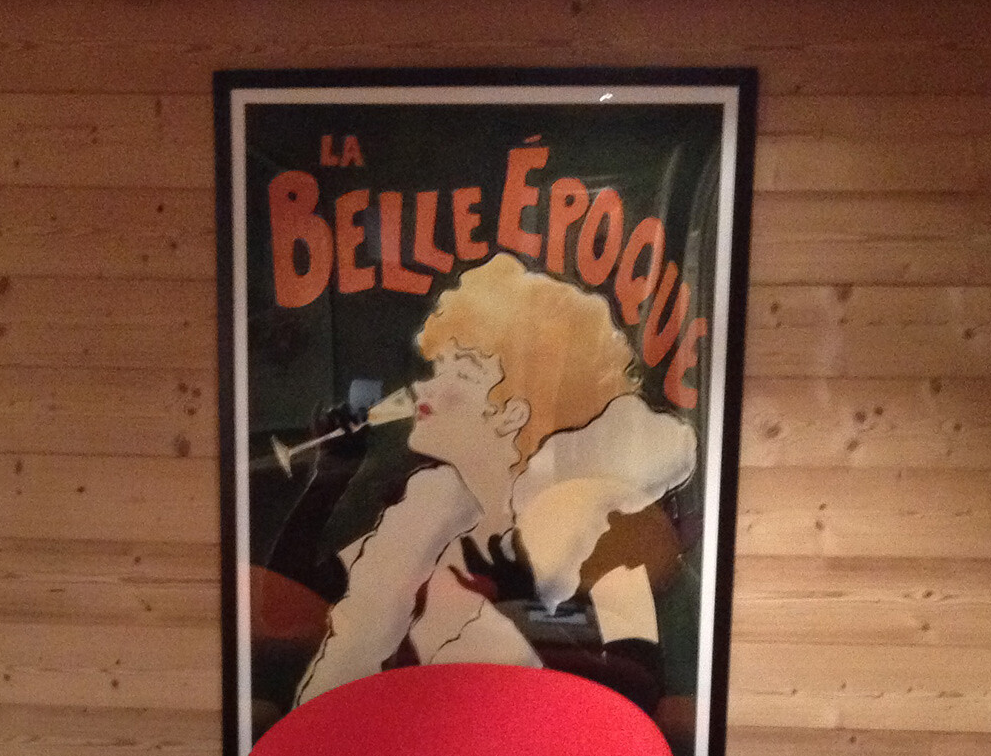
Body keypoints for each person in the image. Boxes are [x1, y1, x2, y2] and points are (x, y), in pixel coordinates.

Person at [291, 253, 698, 715]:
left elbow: (637, 689)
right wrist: (330, 477)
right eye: (438, 366)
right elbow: (315, 612)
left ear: (512, 413)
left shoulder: (603, 524)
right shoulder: (426, 506)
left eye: (460, 371)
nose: (424, 390)